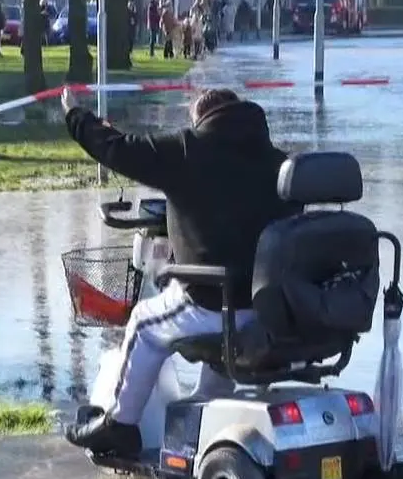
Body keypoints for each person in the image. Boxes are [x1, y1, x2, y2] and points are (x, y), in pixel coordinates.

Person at [59, 87, 300, 459]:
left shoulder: (189, 149)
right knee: (219, 328)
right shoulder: (278, 162)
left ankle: (120, 426)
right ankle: (207, 412)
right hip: (270, 307)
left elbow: (119, 149)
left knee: (143, 322)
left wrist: (76, 116)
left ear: (201, 119)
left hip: (215, 301)